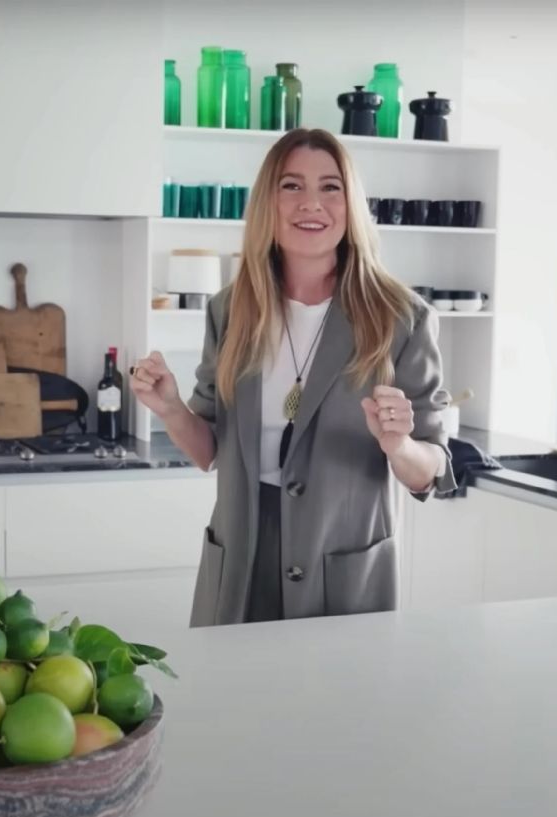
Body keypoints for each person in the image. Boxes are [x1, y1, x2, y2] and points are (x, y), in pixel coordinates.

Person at [130, 128, 456, 627]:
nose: (311, 203)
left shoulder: (402, 318)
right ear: (269, 201)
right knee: (234, 679)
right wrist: (171, 408)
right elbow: (209, 451)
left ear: (351, 204)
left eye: (330, 187)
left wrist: (400, 445)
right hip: (242, 558)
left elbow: (431, 471)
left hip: (341, 566)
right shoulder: (230, 310)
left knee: (333, 682)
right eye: (292, 186)